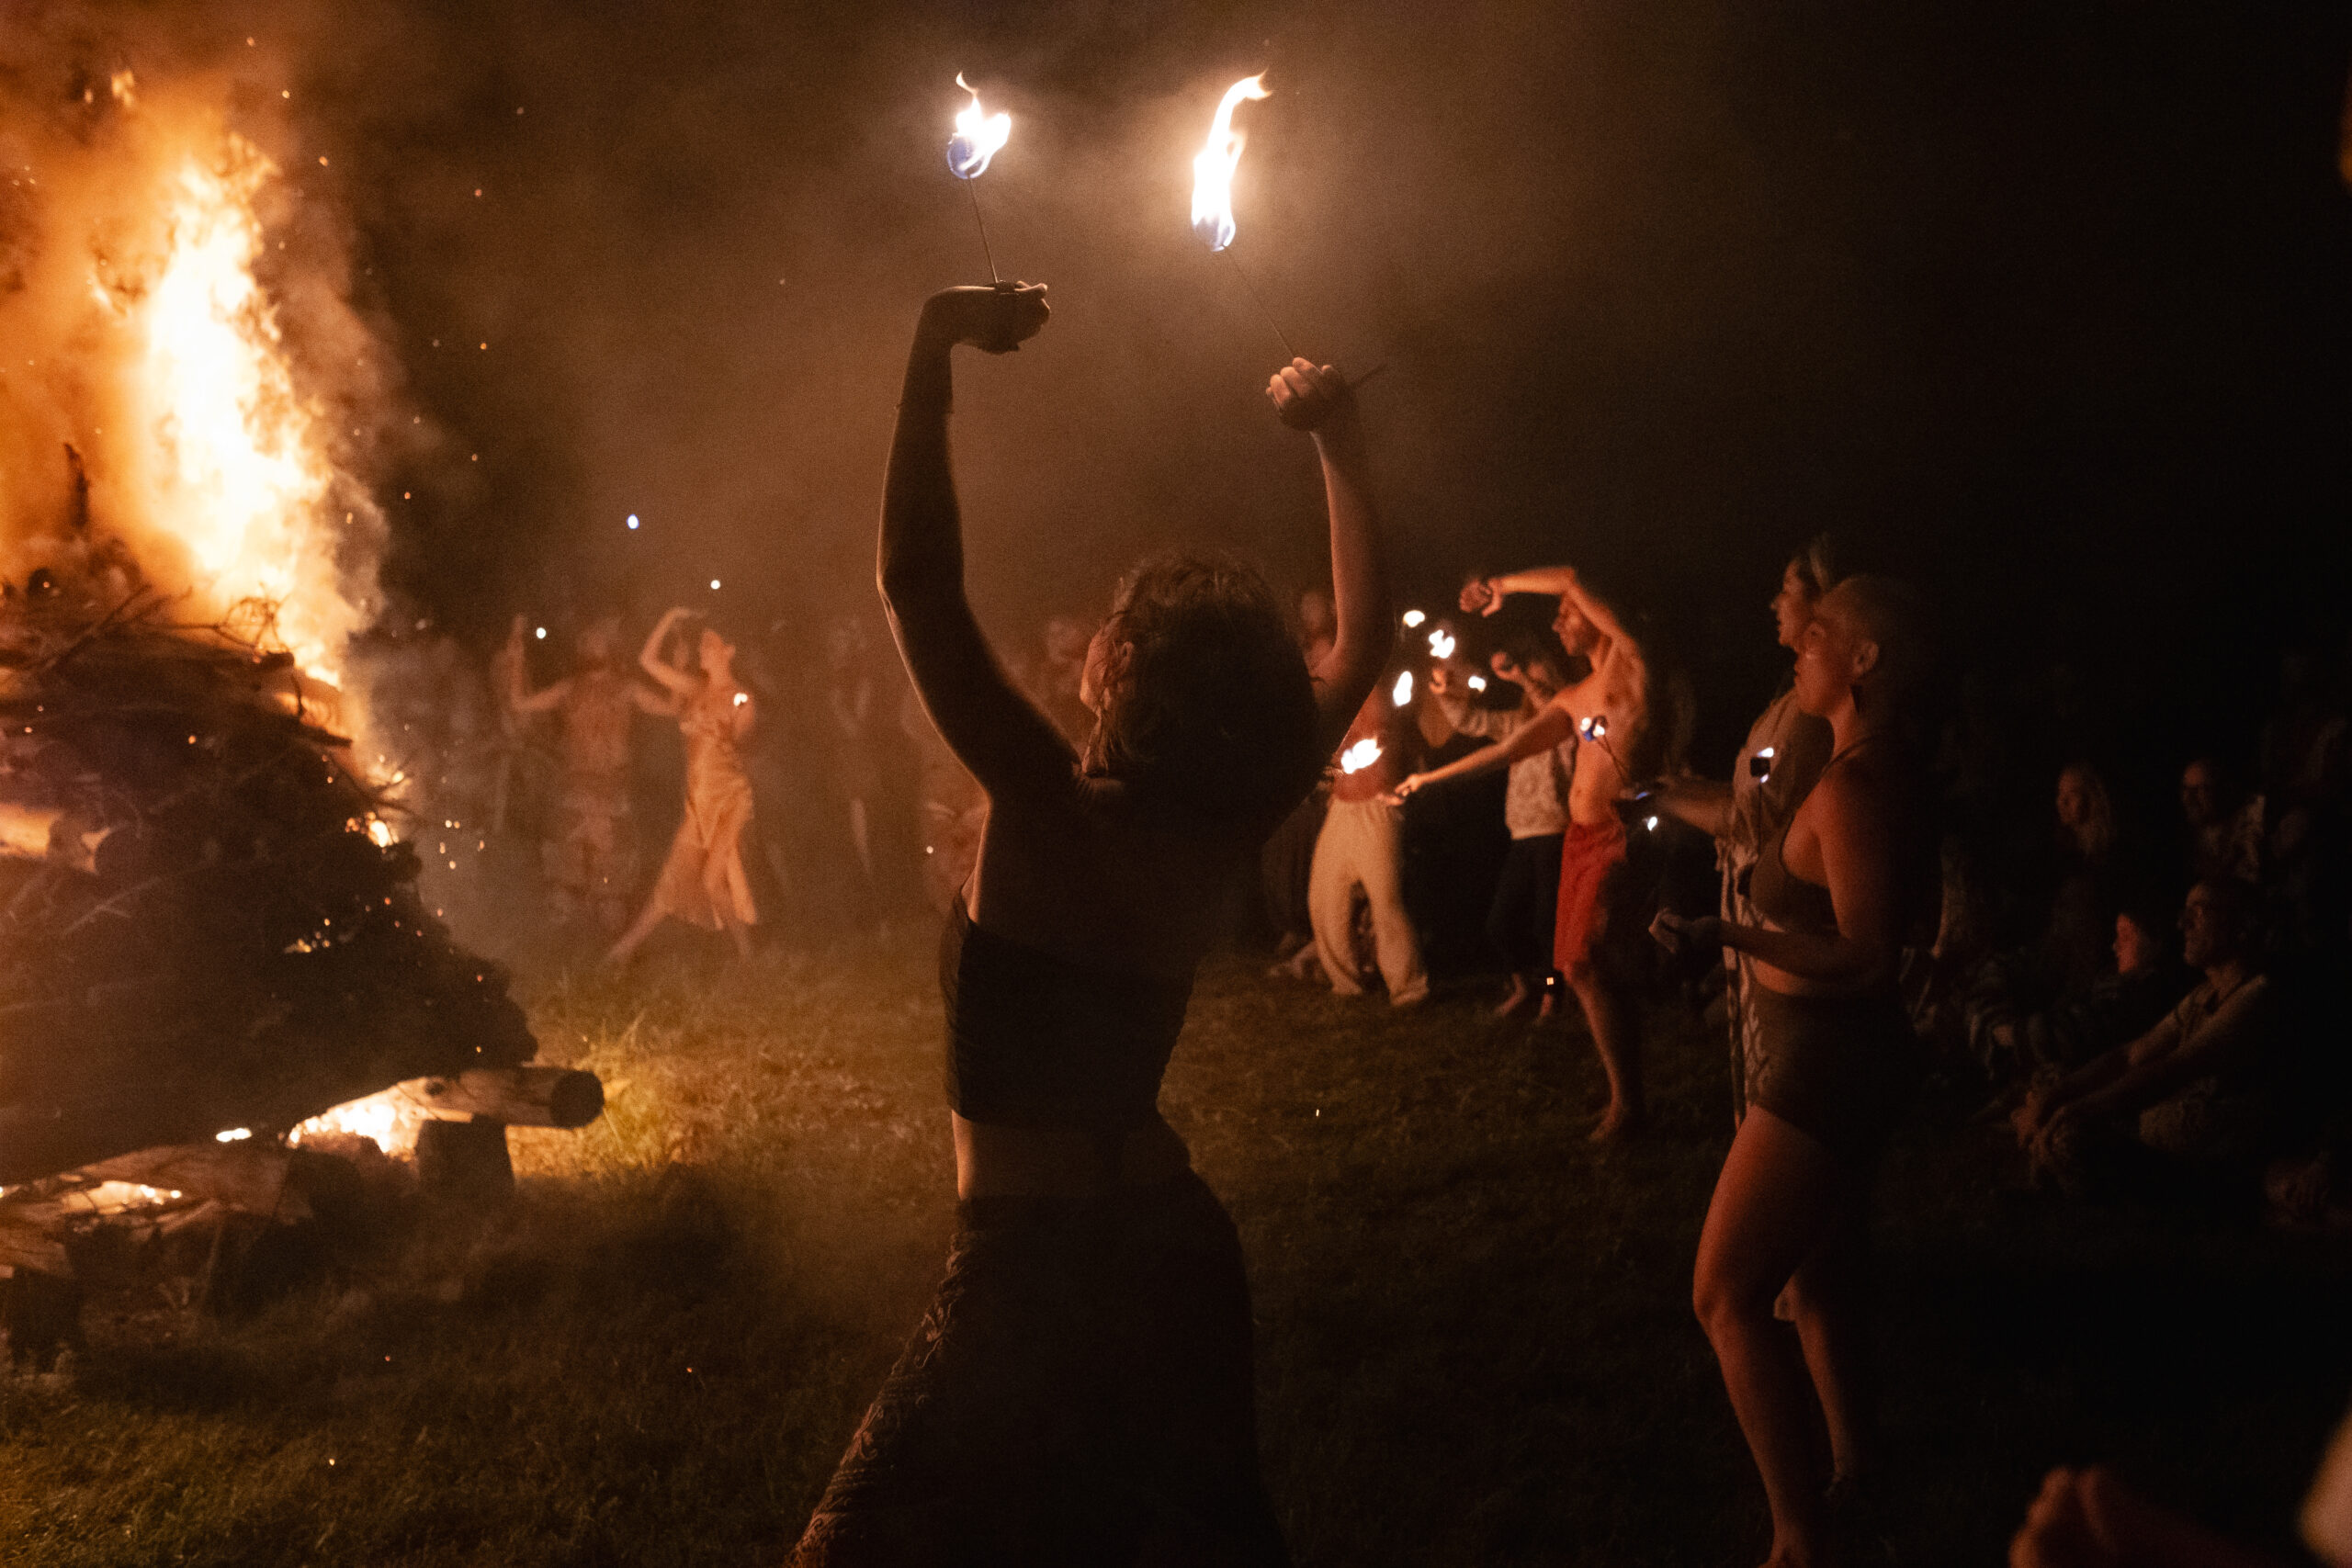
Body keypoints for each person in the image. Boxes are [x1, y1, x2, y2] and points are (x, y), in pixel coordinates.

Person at [786, 283, 1388, 1565]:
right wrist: (1339, 441)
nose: (1096, 636)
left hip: (1029, 1268)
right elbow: (1363, 644)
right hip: (1171, 1246)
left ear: (1124, 674)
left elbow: (915, 583)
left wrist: (931, 348)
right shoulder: (1226, 814)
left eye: (1118, 629)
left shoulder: (1046, 806)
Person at [1657, 575, 1938, 1568]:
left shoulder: (1856, 786)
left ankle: (1799, 1537)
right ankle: (1858, 1467)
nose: (1794, 646)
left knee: (1725, 1293)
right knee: (1817, 1274)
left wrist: (1727, 930)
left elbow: (1867, 956)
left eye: (1814, 633)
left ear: (1863, 659)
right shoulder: (1862, 766)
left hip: (1831, 1063)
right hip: (1837, 1055)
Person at [1401, 561, 1656, 1138]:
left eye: (1569, 615)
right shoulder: (1574, 696)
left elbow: (1572, 576)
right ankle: (1627, 1098)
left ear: (1598, 615)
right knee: (1581, 969)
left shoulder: (1634, 662)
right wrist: (1429, 780)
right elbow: (1508, 749)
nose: (1559, 622)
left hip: (1620, 833)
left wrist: (1502, 587)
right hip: (1580, 839)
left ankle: (1627, 1105)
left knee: (1588, 963)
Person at [1651, 542, 1838, 1122]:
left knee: (1782, 1077)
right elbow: (1750, 791)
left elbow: (1753, 819)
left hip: (1777, 906)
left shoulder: (1808, 716)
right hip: (1752, 899)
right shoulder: (1788, 700)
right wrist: (1678, 786)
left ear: (1825, 604)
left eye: (1787, 589)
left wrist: (1662, 800)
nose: (1773, 602)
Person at [2011, 878, 2279, 1199]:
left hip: (2205, 1154)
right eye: (2185, 913)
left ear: (2241, 926)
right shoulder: (2204, 995)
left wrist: (2075, 1110)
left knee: (2069, 1136)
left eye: (2199, 913)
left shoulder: (2255, 997)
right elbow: (2131, 1054)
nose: (2183, 924)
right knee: (2050, 1084)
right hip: (2160, 1123)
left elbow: (2174, 1068)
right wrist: (2054, 1098)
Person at [1397, 639, 1577, 1017]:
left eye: (1541, 680)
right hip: (1521, 834)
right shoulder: (1516, 723)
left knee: (1546, 924)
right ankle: (1521, 985)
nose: (1532, 685)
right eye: (1532, 681)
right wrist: (1446, 695)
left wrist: (1522, 678)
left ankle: (1552, 994)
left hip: (1556, 832)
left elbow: (1553, 705)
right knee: (1500, 921)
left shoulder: (1569, 723)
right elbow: (1470, 722)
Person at [605, 607, 759, 964]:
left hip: (729, 798)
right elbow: (648, 661)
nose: (702, 650)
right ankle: (622, 951)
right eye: (701, 644)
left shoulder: (742, 697)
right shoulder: (693, 689)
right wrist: (670, 616)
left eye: (710, 644)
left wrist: (733, 720)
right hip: (698, 802)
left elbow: (744, 748)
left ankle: (749, 958)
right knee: (670, 881)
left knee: (711, 880)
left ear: (729, 651)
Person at [504, 613, 670, 934]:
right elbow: (520, 704)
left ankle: (610, 926)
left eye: (598, 640)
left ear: (611, 647)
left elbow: (672, 709)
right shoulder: (569, 688)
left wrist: (677, 667)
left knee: (613, 876)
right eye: (587, 641)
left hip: (612, 786)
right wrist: (516, 658)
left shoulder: (628, 689)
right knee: (564, 870)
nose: (591, 645)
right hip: (576, 784)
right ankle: (562, 931)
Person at [1298, 666, 1429, 1006]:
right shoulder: (1330, 695)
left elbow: (1383, 738)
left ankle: (1409, 988)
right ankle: (1345, 983)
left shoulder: (1372, 692)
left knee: (1385, 900)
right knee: (1324, 896)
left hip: (1376, 806)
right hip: (1341, 808)